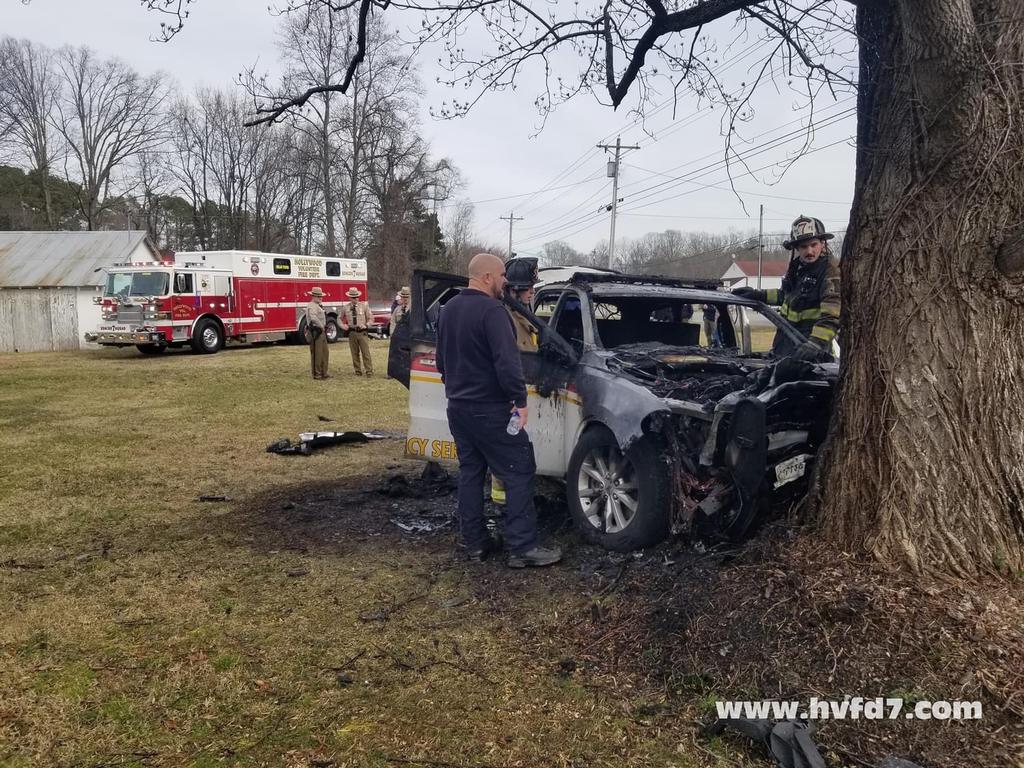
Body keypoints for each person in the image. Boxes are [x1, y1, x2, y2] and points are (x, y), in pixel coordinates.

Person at [437, 252, 562, 569]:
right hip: (491, 410)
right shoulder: (493, 312)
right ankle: (523, 547)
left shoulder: (449, 309)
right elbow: (508, 365)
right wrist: (520, 403)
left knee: (470, 474)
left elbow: (441, 362)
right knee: (520, 471)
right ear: (488, 277)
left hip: (459, 409)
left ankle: (474, 543)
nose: (506, 282)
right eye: (502, 276)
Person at [734, 215, 841, 361]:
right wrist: (758, 295)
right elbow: (786, 296)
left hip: (812, 354)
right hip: (785, 346)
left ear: (823, 243)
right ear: (796, 248)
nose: (809, 251)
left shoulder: (830, 271)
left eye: (813, 245)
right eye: (803, 246)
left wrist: (815, 344)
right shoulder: (797, 268)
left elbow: (832, 315)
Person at [490, 257, 540, 506]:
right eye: (529, 286)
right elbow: (507, 361)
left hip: (522, 393)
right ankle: (502, 504)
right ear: (514, 288)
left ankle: (507, 500)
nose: (533, 290)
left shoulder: (523, 315)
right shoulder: (505, 317)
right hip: (509, 398)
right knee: (505, 452)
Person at [344, 286, 374, 376]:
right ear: (350, 298)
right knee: (354, 353)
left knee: (366, 353)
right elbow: (339, 317)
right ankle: (357, 371)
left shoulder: (364, 306)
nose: (356, 299)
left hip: (362, 333)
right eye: (353, 297)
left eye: (357, 297)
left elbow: (371, 318)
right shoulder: (346, 307)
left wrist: (366, 325)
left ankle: (369, 371)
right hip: (352, 333)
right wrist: (342, 325)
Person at [305, 287, 330, 380]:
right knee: (317, 353)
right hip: (316, 332)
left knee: (324, 352)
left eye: (321, 296)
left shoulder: (317, 305)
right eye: (319, 296)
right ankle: (317, 373)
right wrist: (321, 326)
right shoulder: (312, 306)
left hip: (320, 332)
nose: (321, 298)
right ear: (314, 296)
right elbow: (313, 318)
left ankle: (324, 372)